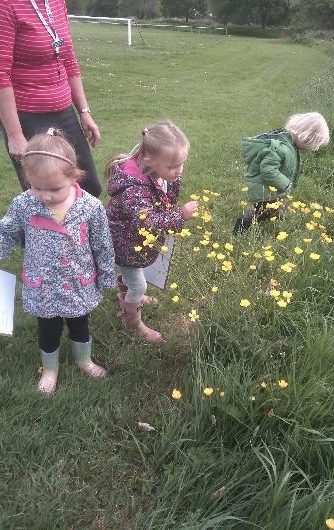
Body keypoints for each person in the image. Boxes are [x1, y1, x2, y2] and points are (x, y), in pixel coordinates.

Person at [0, 129, 115, 394]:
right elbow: (7, 232)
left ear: (74, 176)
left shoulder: (90, 207)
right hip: (43, 285)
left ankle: (83, 360)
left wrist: (106, 274)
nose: (46, 195)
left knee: (79, 324)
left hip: (79, 282)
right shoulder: (24, 205)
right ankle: (50, 369)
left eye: (54, 189)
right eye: (36, 187)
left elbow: (102, 244)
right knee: (48, 329)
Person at [106, 121, 198, 343]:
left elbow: (165, 198)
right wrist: (180, 215)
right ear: (149, 160)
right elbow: (148, 222)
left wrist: (172, 179)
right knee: (139, 283)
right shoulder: (133, 188)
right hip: (125, 241)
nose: (179, 171)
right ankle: (133, 322)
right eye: (173, 166)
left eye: (182, 164)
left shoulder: (157, 171)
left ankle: (126, 294)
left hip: (134, 239)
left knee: (132, 275)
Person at [0, 0, 102, 197]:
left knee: (89, 187)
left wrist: (84, 112)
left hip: (64, 112)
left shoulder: (56, 2)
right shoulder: (7, 5)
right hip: (27, 115)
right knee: (46, 194)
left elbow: (69, 59)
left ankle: (81, 228)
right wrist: (15, 135)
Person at [233, 112, 330, 234]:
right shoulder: (281, 148)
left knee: (272, 212)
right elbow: (268, 170)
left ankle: (277, 229)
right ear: (305, 137)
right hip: (263, 189)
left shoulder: (288, 144)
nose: (309, 149)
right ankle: (239, 229)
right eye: (309, 145)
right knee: (260, 213)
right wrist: (285, 184)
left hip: (270, 189)